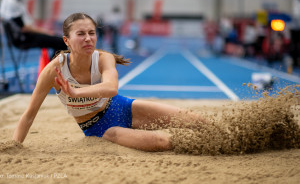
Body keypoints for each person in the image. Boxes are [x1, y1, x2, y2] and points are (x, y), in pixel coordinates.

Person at [12, 12, 207, 152]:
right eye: (81, 34)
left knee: (193, 119)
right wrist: (15, 146)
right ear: (67, 40)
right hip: (100, 128)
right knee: (162, 141)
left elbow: (111, 88)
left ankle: (232, 137)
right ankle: (210, 147)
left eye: (92, 33)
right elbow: (29, 115)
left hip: (124, 107)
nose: (88, 38)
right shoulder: (53, 71)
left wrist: (76, 92)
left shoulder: (104, 57)